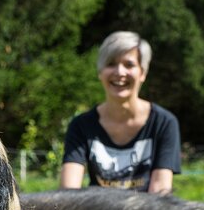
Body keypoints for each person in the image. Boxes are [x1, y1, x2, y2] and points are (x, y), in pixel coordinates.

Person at [60, 31, 181, 194]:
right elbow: (69, 193)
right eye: (111, 64)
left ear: (143, 73)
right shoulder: (80, 125)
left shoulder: (164, 122)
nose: (119, 72)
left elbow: (160, 194)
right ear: (100, 72)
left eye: (129, 64)